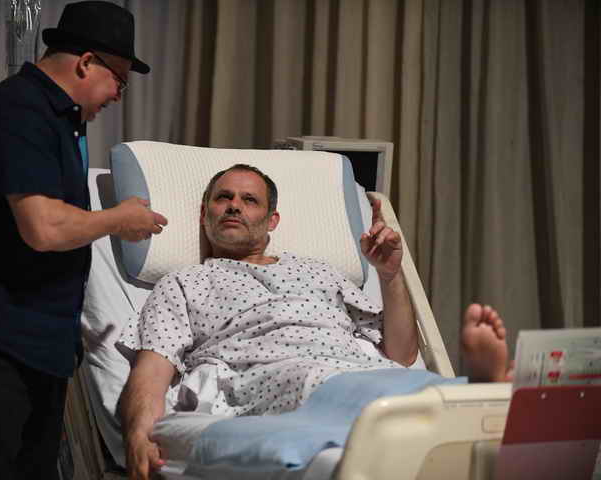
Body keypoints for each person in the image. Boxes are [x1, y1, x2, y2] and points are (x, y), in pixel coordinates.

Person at [117, 164, 512, 480]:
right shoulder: (183, 282)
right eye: (224, 198)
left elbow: (402, 353)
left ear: (272, 220)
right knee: (322, 383)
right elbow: (152, 369)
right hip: (270, 371)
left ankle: (471, 397)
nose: (234, 206)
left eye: (249, 200)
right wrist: (138, 434)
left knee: (391, 380)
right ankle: (475, 402)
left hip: (357, 367)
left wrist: (389, 276)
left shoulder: (320, 272)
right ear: (205, 214)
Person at [0, 2, 167, 479]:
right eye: (119, 80)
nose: (118, 96)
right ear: (86, 62)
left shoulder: (61, 120)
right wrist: (118, 219)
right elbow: (44, 228)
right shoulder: (19, 110)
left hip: (34, 344)